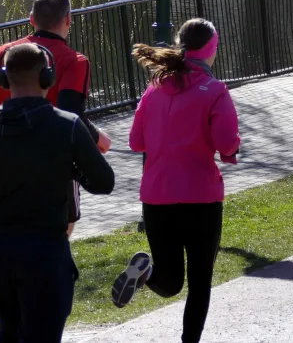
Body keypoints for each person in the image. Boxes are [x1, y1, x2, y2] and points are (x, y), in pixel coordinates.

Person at [0, 43, 115, 343]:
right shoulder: (68, 126)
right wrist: (72, 171)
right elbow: (104, 182)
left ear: (4, 80)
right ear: (47, 78)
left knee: (9, 333)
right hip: (45, 250)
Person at [0, 0, 111, 313]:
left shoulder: (6, 53)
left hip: (4, 158)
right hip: (53, 160)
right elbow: (71, 116)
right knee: (61, 225)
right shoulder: (74, 61)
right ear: (68, 20)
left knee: (7, 215)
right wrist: (98, 139)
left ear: (31, 19)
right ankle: (31, 287)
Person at [109, 18, 240, 343]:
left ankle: (144, 272)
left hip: (156, 198)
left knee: (169, 281)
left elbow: (136, 141)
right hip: (201, 198)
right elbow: (226, 142)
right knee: (198, 282)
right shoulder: (215, 90)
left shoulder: (154, 88)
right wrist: (233, 147)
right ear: (212, 49)